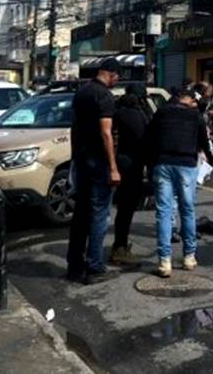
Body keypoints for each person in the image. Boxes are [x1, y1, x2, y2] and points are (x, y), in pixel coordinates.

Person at [148, 91, 213, 278]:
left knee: (163, 211)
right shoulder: (194, 116)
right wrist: (211, 159)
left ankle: (164, 261)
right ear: (186, 100)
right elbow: (204, 141)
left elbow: (150, 138)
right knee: (187, 210)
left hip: (162, 164)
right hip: (186, 165)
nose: (195, 103)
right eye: (193, 100)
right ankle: (189, 257)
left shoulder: (161, 113)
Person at [67, 58, 122, 284]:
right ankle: (94, 267)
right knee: (100, 214)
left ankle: (74, 265)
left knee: (80, 213)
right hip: (98, 162)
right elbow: (106, 133)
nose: (117, 81)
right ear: (111, 74)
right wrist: (113, 167)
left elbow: (74, 128)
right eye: (117, 76)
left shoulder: (81, 93)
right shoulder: (105, 96)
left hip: (81, 160)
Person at [110, 83, 151, 266]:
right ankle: (120, 248)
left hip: (121, 162)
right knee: (126, 209)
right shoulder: (134, 113)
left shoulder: (118, 110)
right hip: (130, 164)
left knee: (123, 209)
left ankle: (120, 245)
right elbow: (142, 138)